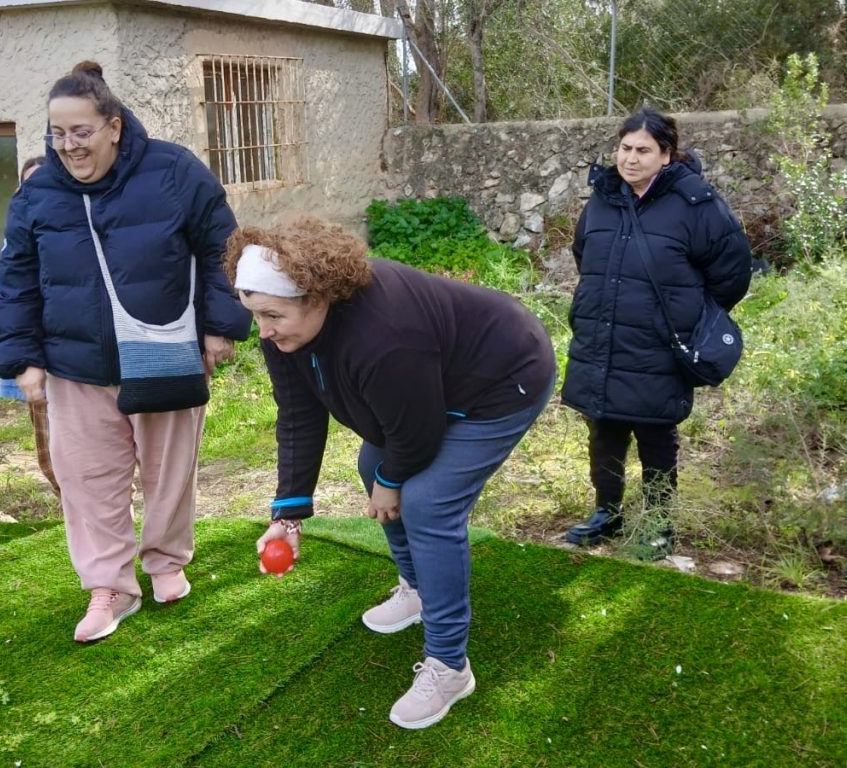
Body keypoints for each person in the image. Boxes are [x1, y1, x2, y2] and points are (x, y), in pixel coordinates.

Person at [224, 218, 556, 730]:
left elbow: (417, 433)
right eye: (255, 316)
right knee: (370, 464)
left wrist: (394, 478)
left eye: (272, 316)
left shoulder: (385, 337)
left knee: (427, 502)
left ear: (318, 298)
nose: (262, 331)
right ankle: (419, 588)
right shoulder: (284, 329)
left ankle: (449, 666)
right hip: (427, 384)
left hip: (502, 376)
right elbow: (298, 413)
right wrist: (289, 512)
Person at [0, 61, 250, 643]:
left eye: (80, 132)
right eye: (57, 134)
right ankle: (109, 585)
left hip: (163, 351)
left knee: (168, 472)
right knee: (87, 480)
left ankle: (165, 563)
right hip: (74, 364)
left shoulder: (174, 171)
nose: (69, 146)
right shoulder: (40, 194)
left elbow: (222, 249)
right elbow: (16, 277)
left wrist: (220, 326)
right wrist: (20, 357)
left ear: (112, 125)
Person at [561, 106, 752, 556]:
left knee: (655, 435)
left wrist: (690, 313)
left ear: (666, 155)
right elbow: (585, 256)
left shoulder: (696, 204)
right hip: (602, 338)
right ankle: (607, 512)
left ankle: (660, 522)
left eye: (643, 150)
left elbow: (732, 271)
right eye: (625, 148)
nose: (630, 159)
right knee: (603, 429)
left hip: (659, 346)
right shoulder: (602, 200)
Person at [0, 156, 60, 498]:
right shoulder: (17, 243)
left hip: (77, 367)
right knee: (52, 462)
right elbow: (8, 303)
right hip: (39, 366)